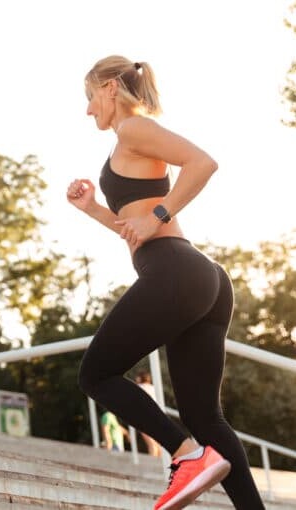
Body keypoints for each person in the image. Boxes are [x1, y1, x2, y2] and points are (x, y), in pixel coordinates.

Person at [67, 55, 265, 510]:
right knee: (205, 417)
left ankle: (186, 456)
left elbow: (202, 163)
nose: (87, 109)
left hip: (177, 269)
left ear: (111, 87)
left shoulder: (134, 128)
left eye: (89, 96)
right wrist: (94, 209)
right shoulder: (127, 140)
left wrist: (160, 215)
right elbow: (134, 227)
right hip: (197, 277)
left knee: (96, 373)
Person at [135, 370, 162, 457]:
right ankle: (161, 463)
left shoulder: (139, 387)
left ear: (140, 378)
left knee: (151, 443)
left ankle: (153, 463)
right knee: (157, 444)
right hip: (156, 416)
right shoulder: (152, 388)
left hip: (144, 416)